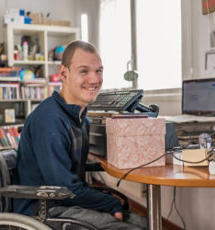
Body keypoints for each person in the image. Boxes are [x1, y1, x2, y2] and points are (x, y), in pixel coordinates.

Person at [13, 40, 147, 230]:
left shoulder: (80, 118)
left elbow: (69, 171)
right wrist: (108, 203)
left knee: (146, 223)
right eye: (84, 71)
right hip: (44, 209)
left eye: (99, 71)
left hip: (65, 201)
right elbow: (64, 189)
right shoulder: (49, 119)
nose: (94, 80)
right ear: (64, 73)